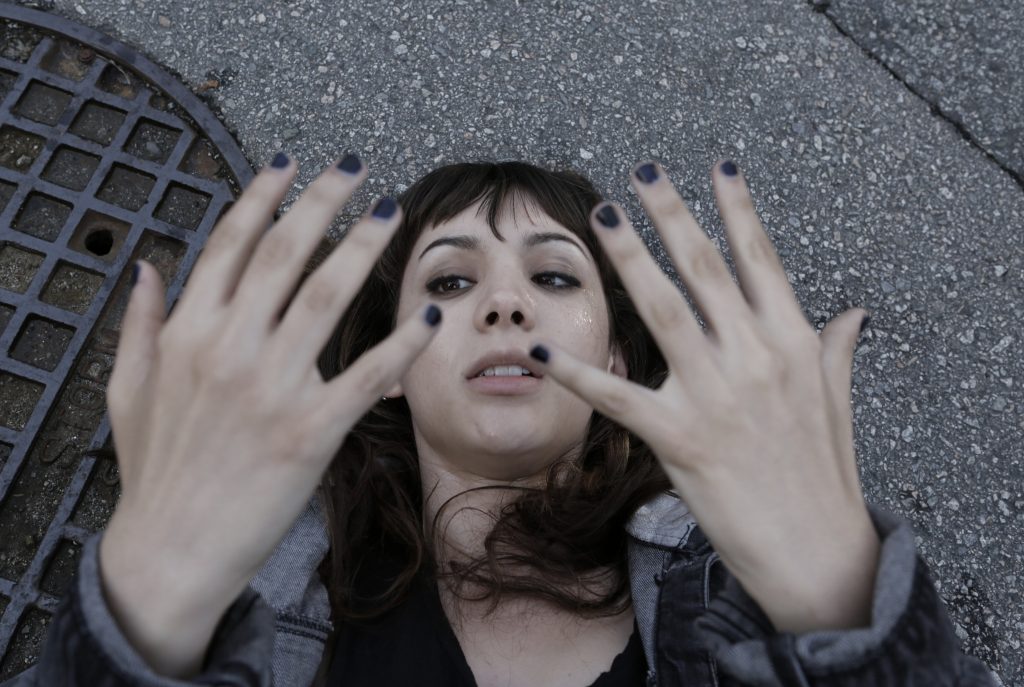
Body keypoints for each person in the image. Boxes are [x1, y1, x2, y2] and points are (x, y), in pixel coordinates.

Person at [4, 157, 998, 686]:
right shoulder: (264, 589)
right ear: (387, 372)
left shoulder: (734, 588)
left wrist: (844, 608)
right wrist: (146, 607)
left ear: (616, 361)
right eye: (449, 282)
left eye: (555, 277)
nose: (505, 304)